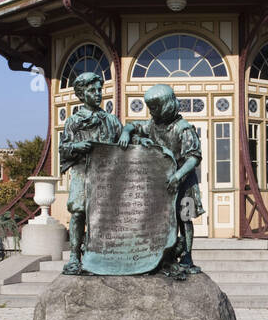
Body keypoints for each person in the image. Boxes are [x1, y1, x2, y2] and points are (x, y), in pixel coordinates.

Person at [118, 83, 203, 273]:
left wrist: (178, 175)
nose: (151, 111)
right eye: (150, 107)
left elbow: (193, 158)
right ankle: (162, 255)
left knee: (184, 218)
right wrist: (127, 132)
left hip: (184, 183)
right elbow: (133, 126)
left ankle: (187, 255)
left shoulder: (183, 128)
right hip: (162, 184)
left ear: (166, 104)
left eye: (155, 107)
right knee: (162, 219)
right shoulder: (152, 125)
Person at [58, 71, 123, 274]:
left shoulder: (111, 121)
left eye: (99, 90)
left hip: (106, 175)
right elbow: (63, 148)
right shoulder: (73, 122)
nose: (97, 94)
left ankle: (103, 254)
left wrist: (130, 133)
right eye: (92, 90)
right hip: (82, 172)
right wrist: (78, 146)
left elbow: (124, 145)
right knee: (78, 212)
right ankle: (75, 255)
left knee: (105, 215)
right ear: (81, 93)